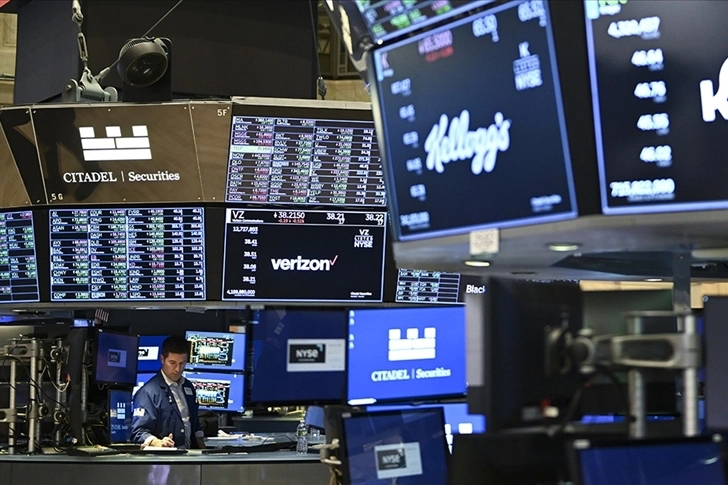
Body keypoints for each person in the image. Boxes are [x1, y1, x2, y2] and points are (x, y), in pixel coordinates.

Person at [131, 335, 205, 449]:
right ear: (162, 359)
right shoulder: (148, 393)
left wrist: (204, 451)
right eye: (172, 362)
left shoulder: (188, 386)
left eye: (182, 363)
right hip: (165, 457)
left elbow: (195, 426)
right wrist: (157, 442)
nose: (177, 369)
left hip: (190, 455)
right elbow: (138, 432)